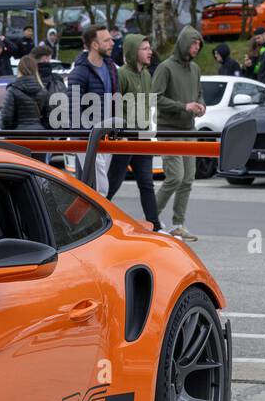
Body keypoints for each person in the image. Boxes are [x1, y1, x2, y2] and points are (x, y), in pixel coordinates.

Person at [153, 25, 205, 241]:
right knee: (175, 177)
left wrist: (201, 105)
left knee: (188, 179)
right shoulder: (165, 68)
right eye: (193, 44)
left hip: (189, 130)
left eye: (199, 45)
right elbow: (155, 97)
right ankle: (151, 218)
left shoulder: (195, 69)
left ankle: (177, 224)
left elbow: (199, 94)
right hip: (169, 129)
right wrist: (183, 106)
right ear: (184, 43)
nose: (196, 48)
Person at [106, 34, 163, 232]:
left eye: (150, 48)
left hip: (143, 137)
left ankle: (154, 224)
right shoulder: (121, 74)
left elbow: (147, 105)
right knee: (113, 182)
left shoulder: (147, 75)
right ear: (132, 52)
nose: (150, 52)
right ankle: (98, 220)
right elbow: (115, 105)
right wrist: (119, 132)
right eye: (144, 48)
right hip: (125, 137)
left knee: (146, 183)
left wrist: (149, 129)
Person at [65, 24, 120, 194]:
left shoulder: (111, 67)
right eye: (107, 40)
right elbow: (73, 110)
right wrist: (86, 137)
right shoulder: (79, 72)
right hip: (87, 137)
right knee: (101, 188)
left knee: (92, 187)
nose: (112, 43)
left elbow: (115, 99)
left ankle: (86, 219)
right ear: (95, 45)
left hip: (106, 135)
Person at [1, 55, 50, 134]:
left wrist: (9, 133)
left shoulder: (13, 90)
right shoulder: (43, 91)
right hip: (40, 135)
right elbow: (48, 117)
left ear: (19, 69)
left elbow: (6, 117)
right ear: (35, 69)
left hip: (18, 135)